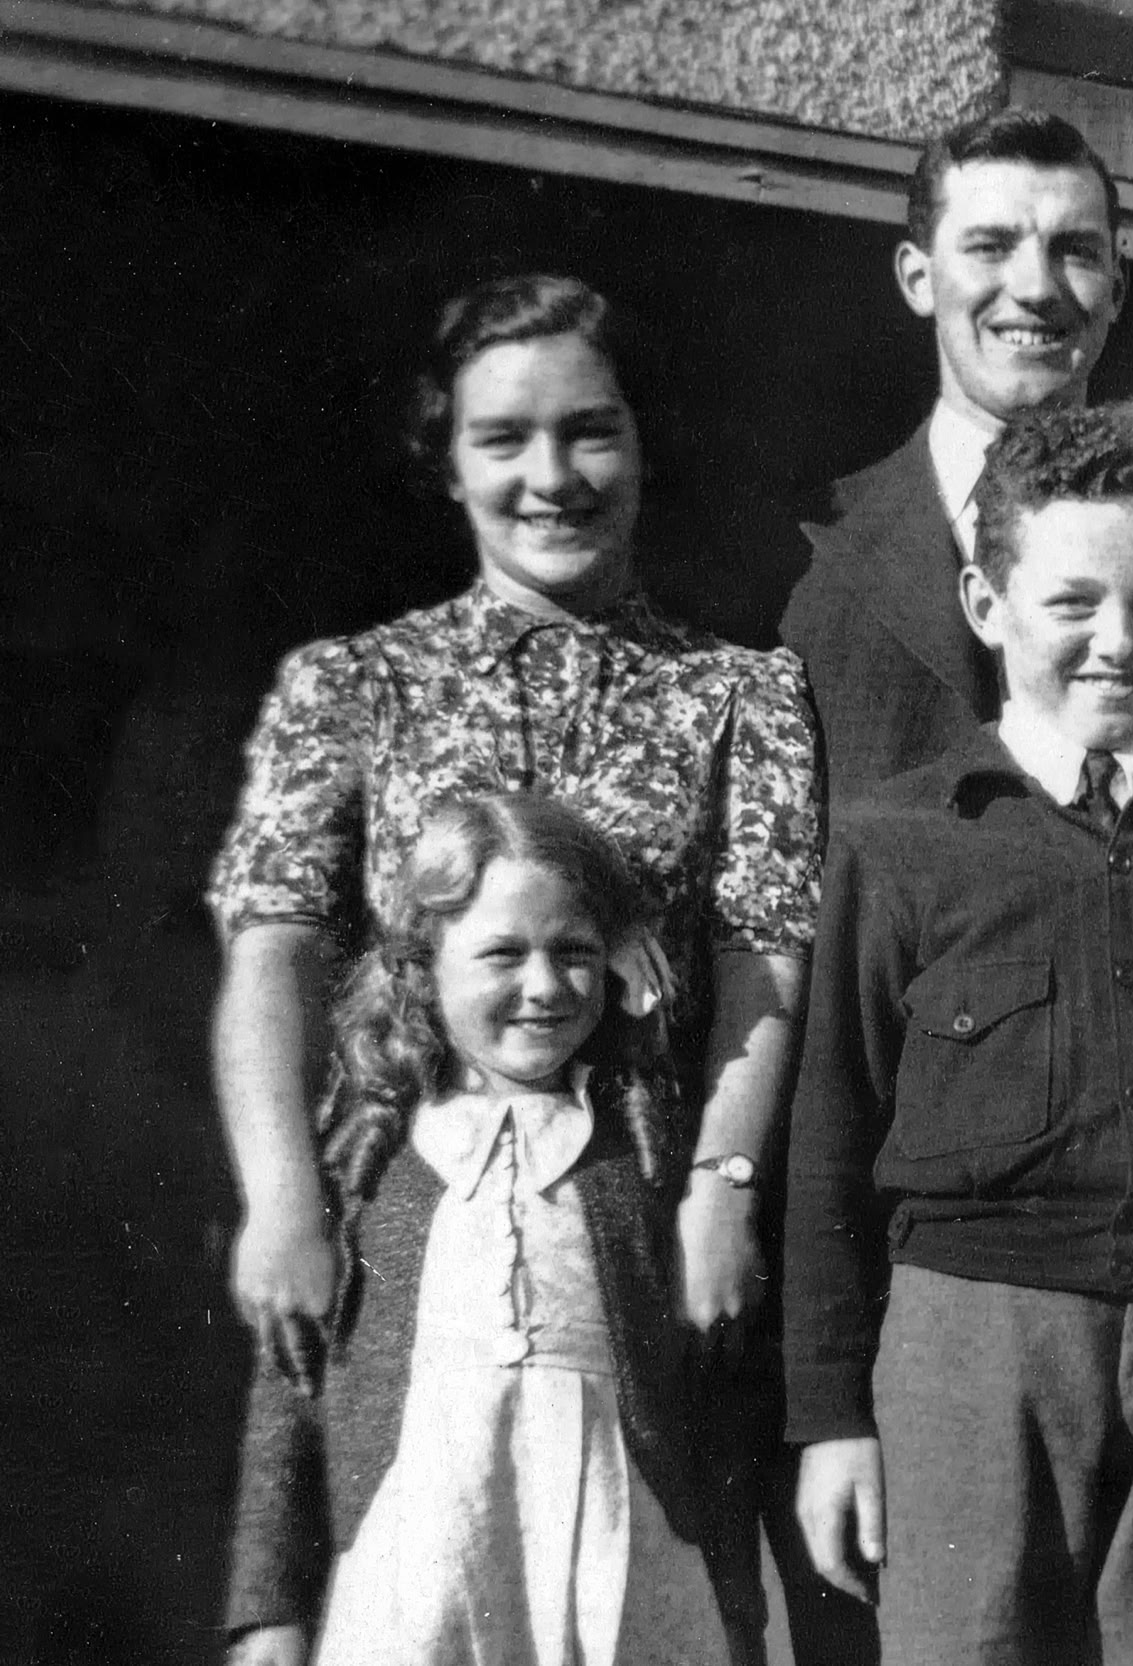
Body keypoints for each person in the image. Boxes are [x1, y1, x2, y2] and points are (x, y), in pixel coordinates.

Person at [206, 274, 821, 1642]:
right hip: (407, 1207)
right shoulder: (354, 683)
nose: (552, 476)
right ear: (448, 460)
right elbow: (273, 950)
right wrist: (285, 1196)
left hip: (642, 1218)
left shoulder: (738, 692)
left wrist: (721, 1182)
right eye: (504, 439)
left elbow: (763, 960)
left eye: (590, 430)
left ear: (641, 441)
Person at [780, 399, 1133, 1665]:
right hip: (965, 1349)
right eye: (1072, 602)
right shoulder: (900, 843)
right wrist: (829, 1418)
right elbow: (827, 1140)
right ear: (986, 606)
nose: (1118, 641)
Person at [223, 795, 762, 1665]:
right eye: (503, 954)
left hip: (626, 1566)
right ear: (423, 966)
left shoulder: (645, 1159)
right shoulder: (371, 1167)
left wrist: (736, 1609)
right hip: (420, 1576)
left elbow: (711, 1406)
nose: (543, 987)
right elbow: (292, 1387)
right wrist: (269, 1608)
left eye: (575, 953)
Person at [779, 105, 1133, 807]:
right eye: (990, 247)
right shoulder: (799, 559)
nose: (1035, 289)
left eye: (1075, 251)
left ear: (1117, 287)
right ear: (918, 278)